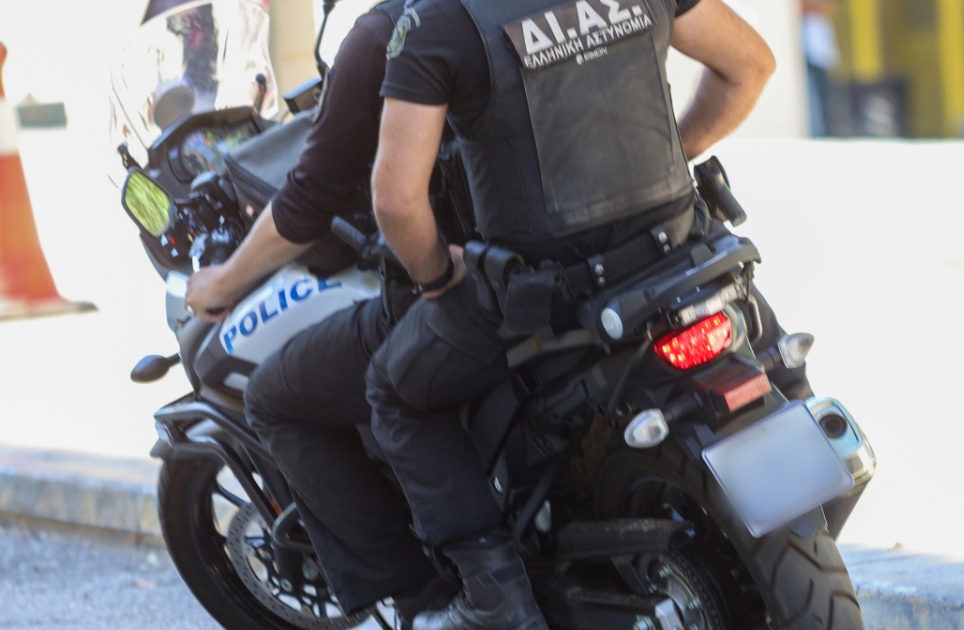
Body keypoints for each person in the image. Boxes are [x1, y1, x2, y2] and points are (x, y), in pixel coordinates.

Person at [366, 0, 799, 627]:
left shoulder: (439, 23)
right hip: (675, 255)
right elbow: (750, 67)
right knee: (772, 355)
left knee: (394, 387)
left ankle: (494, 598)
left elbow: (396, 201)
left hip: (551, 292)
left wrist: (439, 276)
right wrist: (674, 152)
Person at [183, 1, 459, 620]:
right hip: (638, 252)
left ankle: (427, 604)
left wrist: (439, 277)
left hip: (482, 289)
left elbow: (342, 202)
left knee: (277, 397)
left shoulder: (400, 30)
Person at [801, 0, 840, 137]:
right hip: (804, 56)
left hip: (820, 55)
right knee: (811, 103)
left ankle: (824, 135)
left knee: (823, 102)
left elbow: (828, 8)